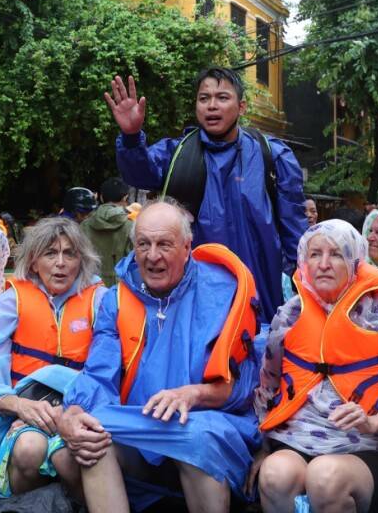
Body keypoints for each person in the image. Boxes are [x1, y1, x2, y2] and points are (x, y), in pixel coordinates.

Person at [58, 201, 260, 513]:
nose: (152, 256)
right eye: (143, 244)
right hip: (140, 429)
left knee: (195, 436)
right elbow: (100, 372)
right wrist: (73, 411)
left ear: (187, 247)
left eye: (164, 244)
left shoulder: (224, 291)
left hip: (209, 429)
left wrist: (193, 394)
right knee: (92, 436)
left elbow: (244, 388)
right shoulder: (116, 300)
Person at [250, 220, 378, 513]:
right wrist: (263, 446)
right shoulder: (289, 316)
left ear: (355, 261)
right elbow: (269, 387)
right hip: (300, 438)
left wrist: (375, 422)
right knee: (274, 474)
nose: (324, 264)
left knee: (325, 477)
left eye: (336, 254)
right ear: (303, 262)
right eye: (315, 254)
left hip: (373, 447)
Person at [106, 68, 307, 327]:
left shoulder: (273, 156)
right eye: (204, 98)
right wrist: (132, 137)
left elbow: (296, 237)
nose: (212, 105)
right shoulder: (176, 154)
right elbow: (139, 173)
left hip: (261, 300)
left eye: (222, 97)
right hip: (192, 305)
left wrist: (307, 295)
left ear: (242, 106)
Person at [0, 217, 105, 504]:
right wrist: (18, 406)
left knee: (71, 457)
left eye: (70, 254)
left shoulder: (101, 300)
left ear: (81, 261)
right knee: (29, 449)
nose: (60, 263)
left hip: (84, 410)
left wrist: (70, 411)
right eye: (50, 253)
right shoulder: (11, 302)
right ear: (33, 262)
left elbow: (114, 373)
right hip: (25, 414)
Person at [81, 177, 134, 286]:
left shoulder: (84, 225)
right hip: (121, 289)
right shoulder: (131, 226)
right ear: (125, 197)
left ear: (101, 197)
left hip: (89, 286)